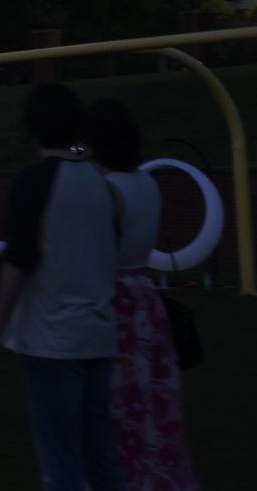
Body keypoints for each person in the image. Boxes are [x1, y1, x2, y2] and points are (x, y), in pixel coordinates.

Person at [0, 82, 124, 491]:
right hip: (99, 335)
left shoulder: (34, 181)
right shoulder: (102, 185)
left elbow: (18, 262)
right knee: (102, 459)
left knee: (62, 465)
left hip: (53, 340)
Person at [87, 97, 199, 490]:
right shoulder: (146, 183)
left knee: (117, 407)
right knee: (152, 403)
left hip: (115, 300)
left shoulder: (106, 189)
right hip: (144, 299)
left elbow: (96, 253)